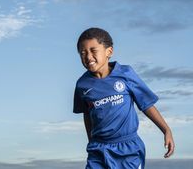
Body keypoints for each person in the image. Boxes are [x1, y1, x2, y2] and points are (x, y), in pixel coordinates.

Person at [73, 27, 175, 169]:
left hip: (128, 149)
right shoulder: (82, 85)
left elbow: (146, 104)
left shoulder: (126, 74)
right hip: (98, 149)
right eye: (83, 53)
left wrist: (166, 130)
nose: (88, 57)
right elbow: (87, 114)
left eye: (93, 51)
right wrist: (91, 141)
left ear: (109, 51)